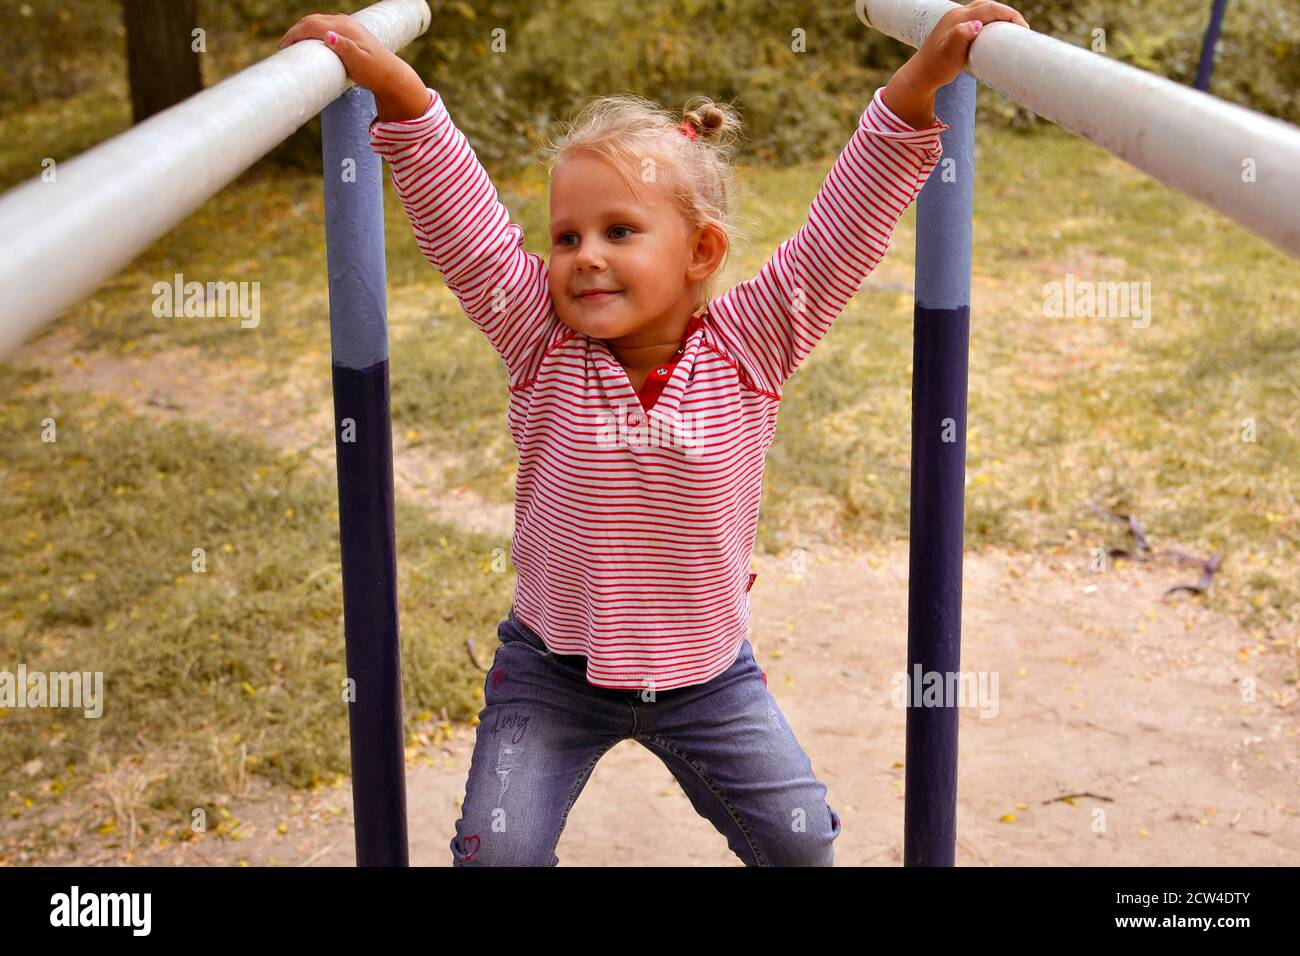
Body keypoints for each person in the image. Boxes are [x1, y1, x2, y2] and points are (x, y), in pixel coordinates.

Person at [280, 1, 1030, 866]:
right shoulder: (539, 334)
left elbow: (843, 226)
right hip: (551, 671)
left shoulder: (757, 340)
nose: (584, 255)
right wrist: (392, 86)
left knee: (801, 848)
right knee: (496, 854)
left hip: (710, 678)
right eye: (566, 236)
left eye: (620, 231)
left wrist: (922, 80)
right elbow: (469, 230)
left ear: (701, 252)